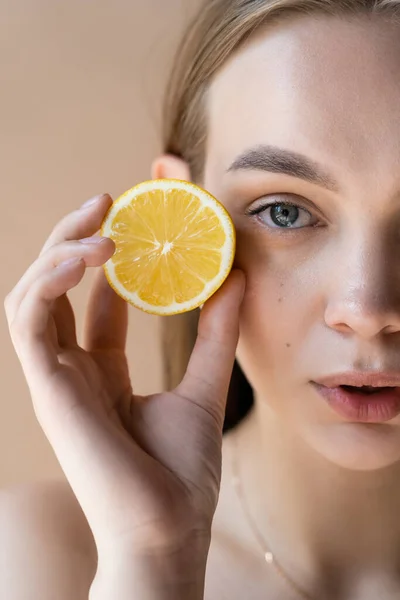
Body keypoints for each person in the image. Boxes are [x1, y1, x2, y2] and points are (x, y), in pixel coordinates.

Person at [2, 0, 400, 598]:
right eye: (284, 212)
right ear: (179, 203)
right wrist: (154, 559)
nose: (368, 308)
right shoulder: (37, 558)